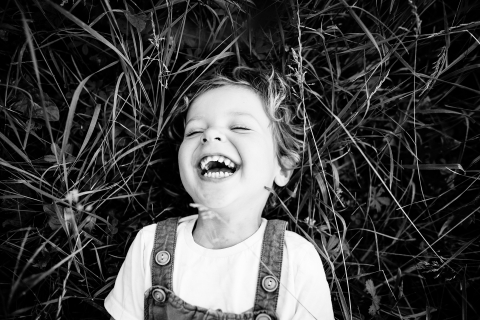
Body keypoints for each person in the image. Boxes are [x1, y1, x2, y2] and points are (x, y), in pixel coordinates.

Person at [104, 67, 334, 320]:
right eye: (194, 131)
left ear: (282, 166)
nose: (210, 134)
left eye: (240, 127)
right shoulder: (148, 246)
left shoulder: (297, 260)